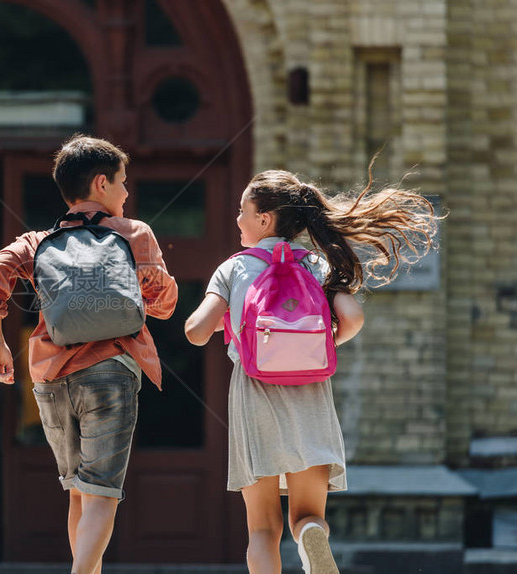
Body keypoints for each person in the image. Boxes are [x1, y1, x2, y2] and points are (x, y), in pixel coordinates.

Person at [184, 169, 439, 574]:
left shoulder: (234, 268)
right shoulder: (317, 264)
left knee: (262, 529)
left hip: (256, 397)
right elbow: (352, 317)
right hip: (312, 395)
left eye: (242, 211)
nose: (237, 219)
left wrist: (228, 324)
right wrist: (315, 346)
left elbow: (197, 332)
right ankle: (310, 537)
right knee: (306, 515)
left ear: (264, 219)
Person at [0, 134, 178, 574]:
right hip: (111, 372)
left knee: (79, 491)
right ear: (102, 184)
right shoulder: (133, 232)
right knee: (103, 491)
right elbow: (163, 305)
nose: (127, 191)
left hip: (49, 377)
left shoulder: (38, 240)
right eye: (123, 182)